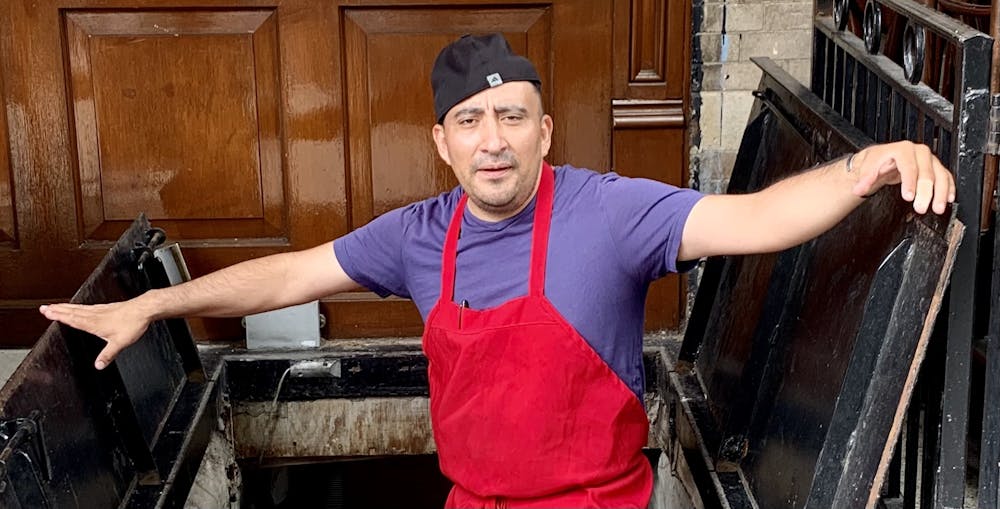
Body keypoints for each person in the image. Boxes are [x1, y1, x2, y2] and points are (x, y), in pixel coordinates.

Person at [39, 34, 954, 508]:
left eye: (513, 117)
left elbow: (758, 219)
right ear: (442, 142)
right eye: (472, 123)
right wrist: (157, 301)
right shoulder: (415, 236)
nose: (494, 140)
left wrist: (871, 165)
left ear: (544, 132)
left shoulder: (611, 211)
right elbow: (283, 279)